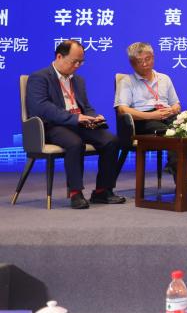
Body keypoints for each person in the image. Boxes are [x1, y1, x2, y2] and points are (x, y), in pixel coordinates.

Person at [25, 40, 124, 208]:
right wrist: (75, 118)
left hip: (78, 123)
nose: (77, 66)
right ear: (59, 57)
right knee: (75, 143)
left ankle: (102, 191)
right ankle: (76, 193)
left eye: (81, 62)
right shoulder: (39, 78)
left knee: (111, 140)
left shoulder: (78, 80)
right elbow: (42, 108)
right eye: (74, 61)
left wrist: (93, 117)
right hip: (53, 126)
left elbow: (86, 106)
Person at [115, 42, 183, 179]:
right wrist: (152, 115)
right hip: (143, 120)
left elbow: (176, 103)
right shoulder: (127, 81)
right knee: (170, 133)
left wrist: (173, 109)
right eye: (139, 61)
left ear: (153, 57)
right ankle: (181, 181)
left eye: (148, 59)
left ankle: (180, 172)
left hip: (166, 115)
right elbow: (122, 109)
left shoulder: (164, 78)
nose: (145, 64)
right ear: (132, 63)